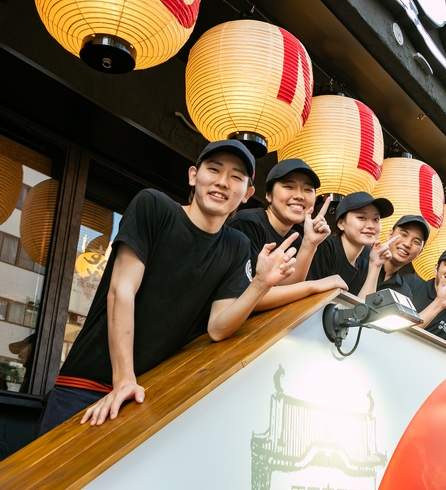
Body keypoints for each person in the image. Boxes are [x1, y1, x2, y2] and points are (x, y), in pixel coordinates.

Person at [39, 140, 298, 434]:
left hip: (145, 396)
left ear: (247, 194)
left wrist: (261, 284)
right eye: (214, 169)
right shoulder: (154, 206)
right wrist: (124, 378)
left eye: (236, 177)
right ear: (193, 176)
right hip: (84, 386)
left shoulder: (236, 246)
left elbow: (217, 327)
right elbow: (121, 291)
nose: (223, 182)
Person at [227, 159, 347, 311]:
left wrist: (310, 243)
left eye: (307, 190)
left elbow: (287, 293)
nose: (299, 196)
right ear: (268, 195)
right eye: (289, 187)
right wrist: (314, 286)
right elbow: (246, 299)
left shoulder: (294, 238)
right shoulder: (248, 223)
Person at [306, 191, 397, 299]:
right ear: (341, 223)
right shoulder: (325, 246)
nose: (371, 225)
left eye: (376, 219)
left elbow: (362, 308)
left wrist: (375, 266)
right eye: (362, 217)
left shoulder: (367, 258)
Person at [376, 214, 430, 296]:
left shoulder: (404, 291)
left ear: (419, 252)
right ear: (390, 235)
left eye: (416, 242)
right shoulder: (360, 261)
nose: (407, 244)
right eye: (403, 235)